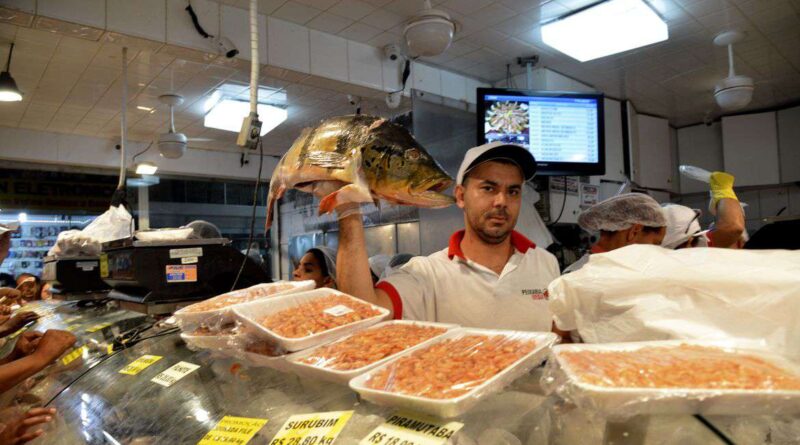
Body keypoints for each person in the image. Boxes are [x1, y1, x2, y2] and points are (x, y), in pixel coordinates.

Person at [336, 142, 560, 332]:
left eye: (513, 191)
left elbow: (558, 333)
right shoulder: (427, 275)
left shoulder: (544, 262)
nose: (501, 201)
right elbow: (363, 312)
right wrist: (348, 211)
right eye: (488, 188)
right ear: (461, 196)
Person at [563, 193, 667, 274]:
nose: (656, 251)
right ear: (634, 232)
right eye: (655, 243)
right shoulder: (606, 277)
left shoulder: (576, 272)